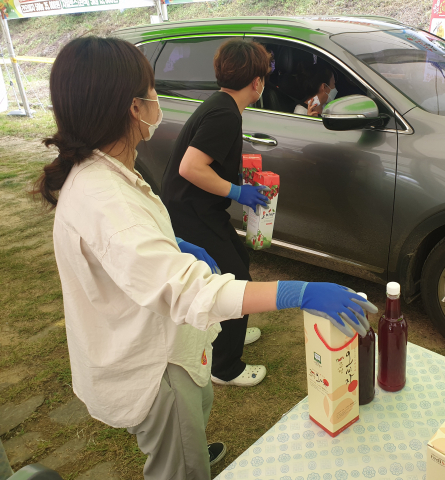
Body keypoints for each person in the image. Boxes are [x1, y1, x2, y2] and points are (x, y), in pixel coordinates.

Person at [32, 36, 375, 480]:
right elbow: (191, 291)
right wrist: (300, 291)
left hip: (162, 342)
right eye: (150, 89)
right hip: (153, 363)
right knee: (179, 461)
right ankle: (183, 458)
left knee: (195, 409)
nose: (158, 99)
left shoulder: (105, 170)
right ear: (133, 107)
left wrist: (172, 244)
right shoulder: (106, 200)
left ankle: (186, 443)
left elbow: (133, 256)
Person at [160, 40, 271, 387]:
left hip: (199, 207)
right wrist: (238, 192)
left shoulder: (222, 104)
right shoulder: (224, 113)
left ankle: (229, 330)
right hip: (190, 211)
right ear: (256, 82)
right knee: (234, 274)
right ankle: (225, 367)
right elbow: (190, 167)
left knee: (237, 259)